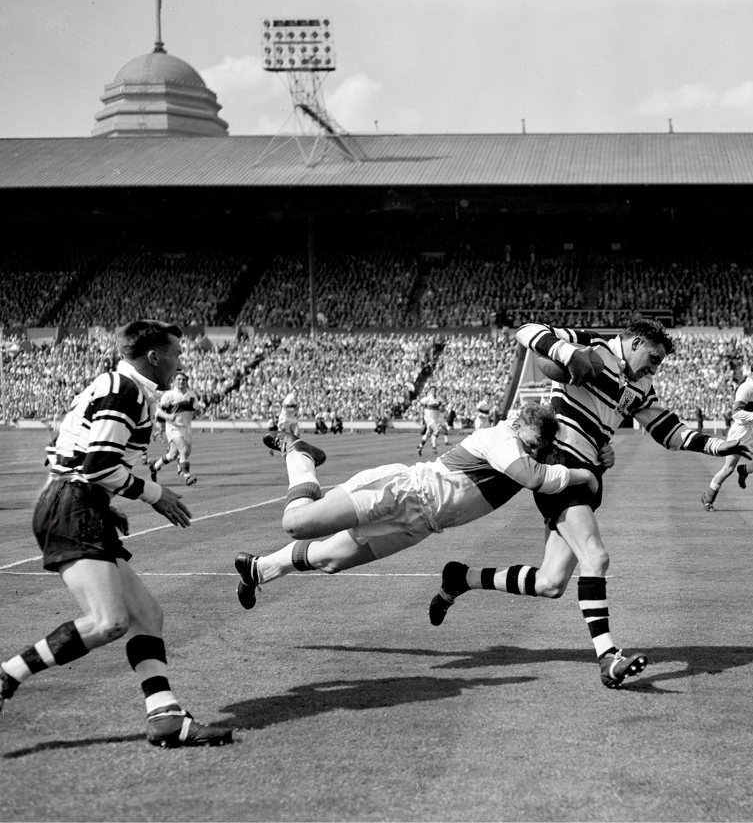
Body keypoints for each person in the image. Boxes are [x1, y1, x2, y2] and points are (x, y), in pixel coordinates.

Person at [428, 318, 753, 689]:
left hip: (590, 475)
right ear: (633, 343)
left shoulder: (641, 386)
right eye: (653, 357)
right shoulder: (592, 345)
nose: (655, 366)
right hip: (561, 467)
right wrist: (568, 353)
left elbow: (668, 431)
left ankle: (461, 577)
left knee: (550, 582)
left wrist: (719, 446)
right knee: (596, 556)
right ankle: (608, 658)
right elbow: (527, 331)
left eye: (660, 362)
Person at [0, 320, 230, 748]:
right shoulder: (124, 390)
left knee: (147, 616)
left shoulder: (115, 385)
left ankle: (165, 717)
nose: (180, 361)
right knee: (109, 622)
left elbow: (61, 446)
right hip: (73, 506)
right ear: (154, 357)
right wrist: (155, 494)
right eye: (176, 354)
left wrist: (99, 501)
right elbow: (97, 466)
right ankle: (8, 675)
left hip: (77, 503)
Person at [232, 403, 599, 609]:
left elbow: (542, 465)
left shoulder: (521, 449)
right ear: (518, 423)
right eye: (532, 442)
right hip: (400, 492)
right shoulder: (501, 437)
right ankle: (299, 452)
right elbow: (536, 478)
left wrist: (599, 457)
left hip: (419, 524)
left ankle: (260, 570)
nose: (533, 451)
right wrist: (584, 476)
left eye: (537, 448)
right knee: (296, 523)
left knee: (330, 561)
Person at [701, 361, 753, 511]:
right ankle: (708, 498)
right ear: (751, 373)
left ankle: (745, 470)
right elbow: (736, 412)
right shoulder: (745, 388)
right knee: (728, 469)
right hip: (739, 432)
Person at [149, 372, 201, 486]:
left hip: (186, 428)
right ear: (174, 381)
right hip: (173, 428)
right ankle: (187, 477)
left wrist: (197, 410)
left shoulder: (191, 395)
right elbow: (158, 411)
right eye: (178, 379)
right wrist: (168, 417)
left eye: (183, 379)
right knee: (184, 451)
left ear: (186, 381)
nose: (181, 381)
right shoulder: (169, 395)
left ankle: (154, 466)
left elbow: (197, 412)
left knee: (173, 455)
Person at [416, 392, 447, 457]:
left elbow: (442, 409)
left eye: (435, 390)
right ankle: (433, 445)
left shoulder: (439, 399)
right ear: (430, 391)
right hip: (429, 418)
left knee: (428, 434)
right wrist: (420, 413)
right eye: (432, 390)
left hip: (435, 418)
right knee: (437, 430)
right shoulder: (427, 398)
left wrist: (442, 407)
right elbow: (419, 403)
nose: (433, 391)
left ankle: (420, 446)